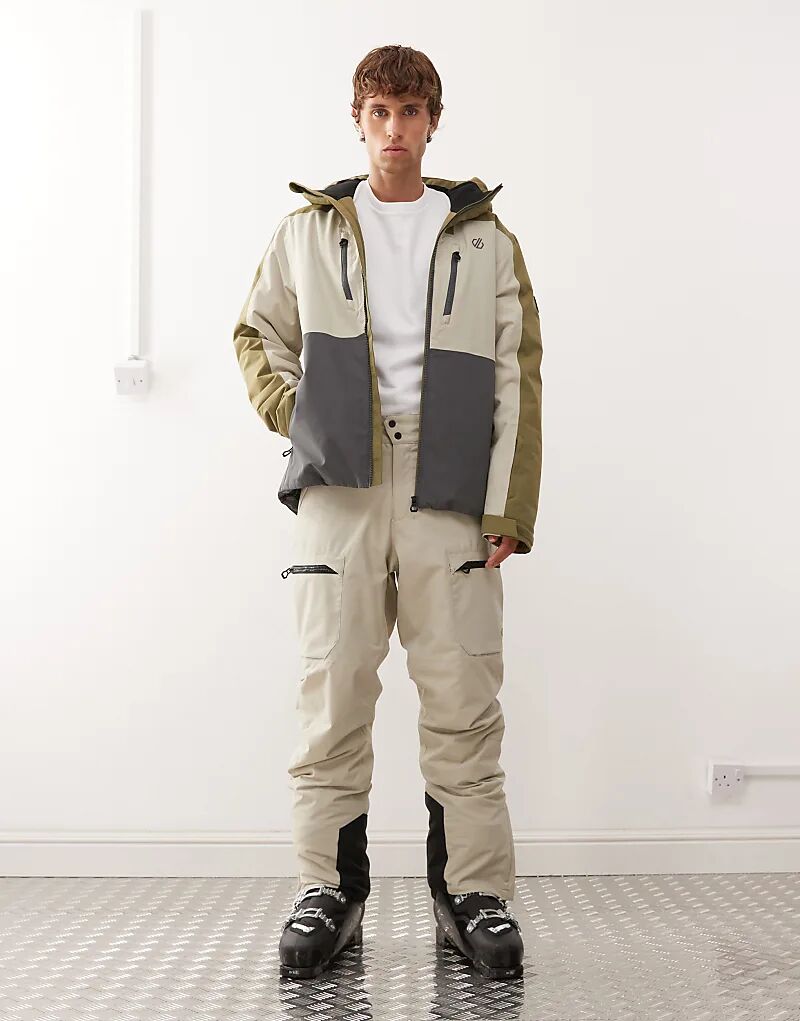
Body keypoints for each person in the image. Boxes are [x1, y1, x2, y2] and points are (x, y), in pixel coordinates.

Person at [232, 44, 543, 982]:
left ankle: (472, 894)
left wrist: (509, 504)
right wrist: (306, 419)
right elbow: (257, 332)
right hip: (341, 486)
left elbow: (517, 373)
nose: (395, 129)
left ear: (433, 121)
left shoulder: (484, 238)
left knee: (463, 696)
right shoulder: (307, 231)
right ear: (358, 119)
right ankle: (330, 889)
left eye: (411, 112)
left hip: (451, 484)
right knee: (332, 692)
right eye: (379, 111)